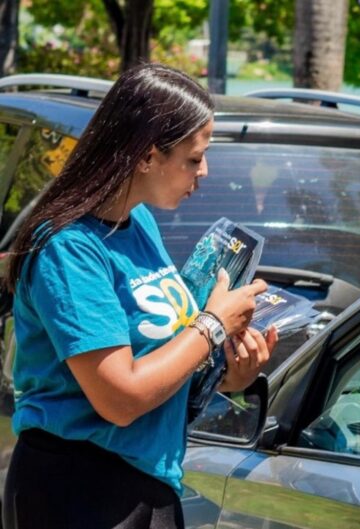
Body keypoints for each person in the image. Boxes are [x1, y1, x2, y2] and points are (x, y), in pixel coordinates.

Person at [2, 63, 277, 529]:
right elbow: (120, 398)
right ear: (147, 156)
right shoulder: (69, 248)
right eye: (194, 158)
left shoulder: (139, 222)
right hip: (77, 490)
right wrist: (212, 325)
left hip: (144, 483)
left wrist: (230, 374)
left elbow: (160, 361)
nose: (204, 171)